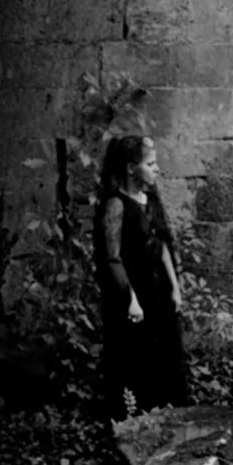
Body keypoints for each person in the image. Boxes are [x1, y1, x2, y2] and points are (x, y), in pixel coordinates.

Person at [93, 135, 190, 417]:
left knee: (167, 357)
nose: (156, 169)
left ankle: (170, 417)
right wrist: (130, 300)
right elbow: (112, 257)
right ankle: (137, 421)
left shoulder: (151, 200)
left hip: (159, 292)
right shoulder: (116, 205)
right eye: (150, 163)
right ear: (131, 168)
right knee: (137, 359)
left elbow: (162, 245)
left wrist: (175, 288)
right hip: (135, 294)